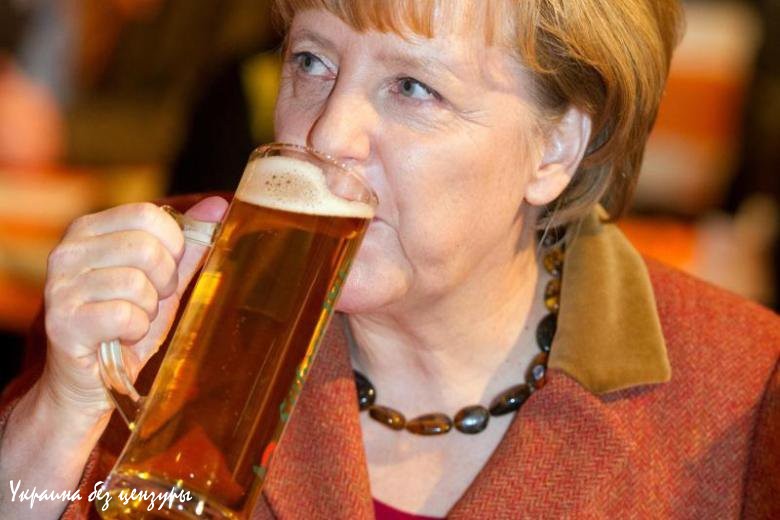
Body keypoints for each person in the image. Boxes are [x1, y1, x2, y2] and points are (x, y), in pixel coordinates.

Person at [1, 1, 778, 519]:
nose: (328, 134)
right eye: (311, 62)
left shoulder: (744, 397)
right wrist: (57, 418)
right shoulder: (162, 299)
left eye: (411, 86)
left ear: (556, 148)